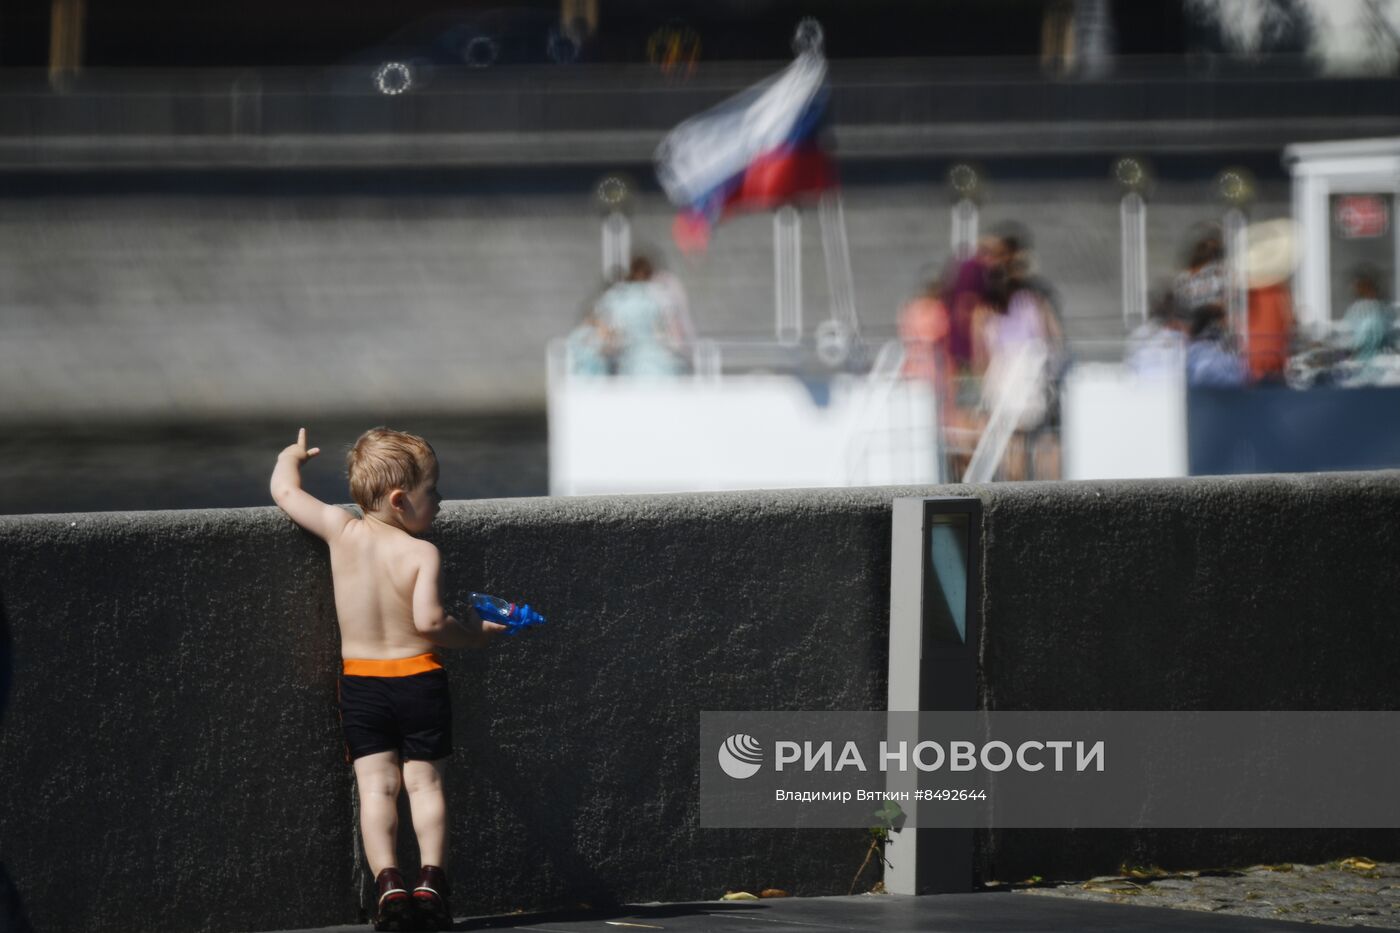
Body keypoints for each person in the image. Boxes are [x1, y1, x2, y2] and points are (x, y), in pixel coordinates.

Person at [270, 427, 508, 931]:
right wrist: (474, 635)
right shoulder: (422, 554)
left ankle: (389, 888)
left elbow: (284, 492)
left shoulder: (340, 530)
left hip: (362, 684)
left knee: (376, 788)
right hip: (419, 679)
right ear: (401, 501)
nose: (441, 502)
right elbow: (430, 624)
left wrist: (291, 456)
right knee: (424, 786)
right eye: (434, 492)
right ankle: (431, 884)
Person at [596, 256, 686, 376]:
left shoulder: (616, 298)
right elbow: (675, 340)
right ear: (650, 274)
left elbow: (607, 339)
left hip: (630, 367)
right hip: (661, 366)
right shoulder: (659, 295)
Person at [1186, 304, 1247, 388]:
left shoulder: (1210, 350)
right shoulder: (1205, 358)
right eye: (1223, 323)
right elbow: (1206, 374)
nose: (1229, 324)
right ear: (1213, 325)